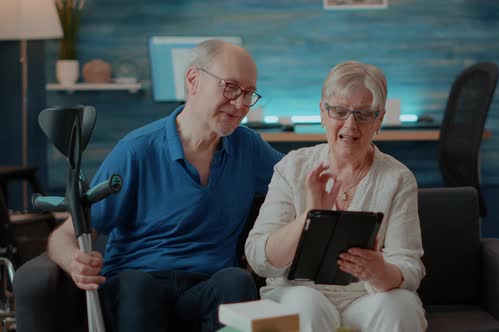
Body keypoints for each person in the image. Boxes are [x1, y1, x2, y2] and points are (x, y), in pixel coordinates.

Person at [46, 39, 283, 332]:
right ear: (194, 80)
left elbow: (300, 174)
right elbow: (63, 236)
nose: (240, 104)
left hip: (204, 288)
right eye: (231, 87)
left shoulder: (249, 148)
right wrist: (74, 261)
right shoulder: (137, 149)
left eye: (248, 94)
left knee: (236, 280)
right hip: (139, 284)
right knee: (138, 286)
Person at [245, 61, 427, 332]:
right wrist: (307, 217)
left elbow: (409, 264)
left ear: (379, 119)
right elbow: (258, 257)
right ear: (322, 112)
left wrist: (382, 271)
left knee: (400, 308)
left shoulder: (398, 178)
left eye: (364, 114)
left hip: (368, 297)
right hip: (299, 293)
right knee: (304, 307)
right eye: (340, 111)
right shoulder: (291, 167)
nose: (350, 125)